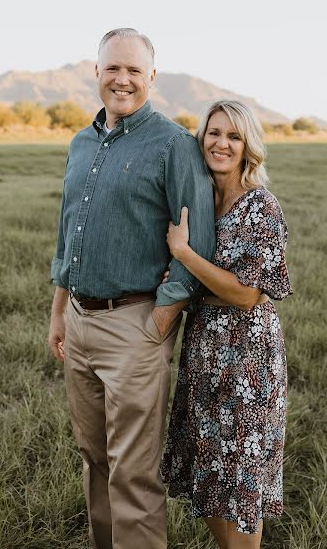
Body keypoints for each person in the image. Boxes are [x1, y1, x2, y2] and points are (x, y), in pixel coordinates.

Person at [47, 28, 215, 549]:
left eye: (134, 71)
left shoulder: (173, 145)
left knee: (133, 473)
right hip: (77, 320)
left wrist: (161, 320)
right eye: (112, 68)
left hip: (135, 326)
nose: (122, 79)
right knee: (95, 458)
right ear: (96, 72)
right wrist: (59, 312)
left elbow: (199, 243)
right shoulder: (81, 143)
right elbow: (67, 230)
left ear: (152, 79)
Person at [161, 100, 292, 549]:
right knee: (209, 471)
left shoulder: (260, 207)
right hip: (204, 354)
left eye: (233, 136)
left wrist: (185, 258)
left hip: (247, 363)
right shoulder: (201, 202)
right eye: (214, 133)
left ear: (248, 146)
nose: (221, 143)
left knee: (240, 482)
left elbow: (246, 293)